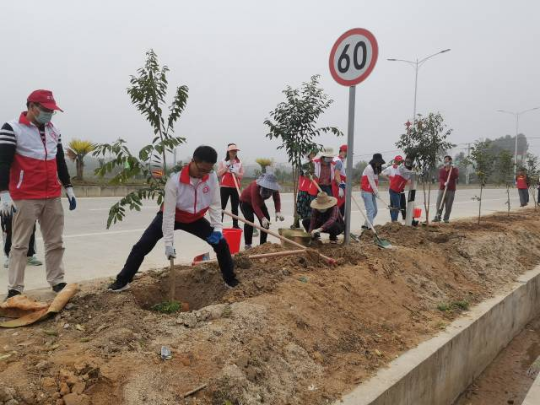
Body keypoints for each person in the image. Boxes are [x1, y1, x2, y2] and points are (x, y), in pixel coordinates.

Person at [108, 146, 239, 291]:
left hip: (195, 219)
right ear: (193, 161)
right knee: (142, 245)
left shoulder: (212, 177)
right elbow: (169, 214)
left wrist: (218, 229)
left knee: (221, 244)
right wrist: (168, 244)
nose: (203, 174)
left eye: (207, 171)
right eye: (201, 170)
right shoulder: (175, 180)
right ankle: (122, 281)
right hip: (174, 215)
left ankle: (230, 280)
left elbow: (215, 205)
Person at [0, 90, 76, 299]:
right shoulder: (12, 128)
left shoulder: (54, 130)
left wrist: (68, 187)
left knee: (55, 241)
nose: (49, 114)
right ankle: (15, 288)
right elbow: (3, 163)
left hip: (51, 194)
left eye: (52, 111)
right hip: (24, 196)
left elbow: (59, 161)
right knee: (20, 244)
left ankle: (57, 281)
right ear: (32, 106)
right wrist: (4, 194)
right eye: (45, 110)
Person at [240, 172, 283, 249]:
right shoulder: (255, 186)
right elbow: (255, 205)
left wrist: (278, 211)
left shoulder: (274, 188)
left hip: (259, 203)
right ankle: (248, 244)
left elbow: (277, 199)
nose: (270, 189)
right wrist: (262, 218)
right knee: (249, 220)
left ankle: (263, 245)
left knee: (267, 220)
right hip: (245, 202)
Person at [217, 143, 244, 229]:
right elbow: (218, 174)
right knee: (222, 206)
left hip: (235, 187)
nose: (234, 153)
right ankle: (219, 224)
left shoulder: (239, 163)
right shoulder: (223, 161)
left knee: (235, 207)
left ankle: (235, 225)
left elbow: (241, 175)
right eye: (232, 151)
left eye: (235, 151)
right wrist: (226, 167)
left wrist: (236, 173)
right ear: (228, 152)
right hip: (225, 187)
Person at [361, 153, 386, 229]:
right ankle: (370, 228)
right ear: (374, 161)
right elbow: (371, 182)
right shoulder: (369, 168)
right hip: (366, 191)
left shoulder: (376, 169)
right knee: (370, 209)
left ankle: (366, 225)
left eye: (380, 162)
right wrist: (377, 192)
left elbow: (375, 182)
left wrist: (375, 192)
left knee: (375, 210)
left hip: (371, 192)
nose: (379, 163)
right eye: (378, 162)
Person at [385, 156, 414, 222]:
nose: (408, 163)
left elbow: (409, 180)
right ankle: (394, 221)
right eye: (407, 162)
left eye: (409, 162)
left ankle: (394, 220)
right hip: (393, 190)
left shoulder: (408, 170)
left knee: (397, 207)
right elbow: (407, 172)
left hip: (399, 190)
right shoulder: (401, 168)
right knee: (397, 207)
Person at [433, 155, 459, 223]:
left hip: (451, 190)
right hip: (442, 189)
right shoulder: (442, 169)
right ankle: (437, 216)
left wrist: (452, 169)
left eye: (447, 160)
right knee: (439, 204)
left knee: (448, 205)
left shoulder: (454, 169)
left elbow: (455, 176)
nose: (445, 161)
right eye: (445, 160)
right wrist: (444, 183)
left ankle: (446, 218)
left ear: (450, 161)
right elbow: (440, 178)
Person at [295, 151, 317, 228]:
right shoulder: (304, 162)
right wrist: (311, 175)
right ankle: (296, 222)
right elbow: (306, 174)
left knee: (309, 207)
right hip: (304, 188)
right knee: (301, 206)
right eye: (312, 153)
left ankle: (308, 225)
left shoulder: (312, 163)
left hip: (310, 187)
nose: (314, 155)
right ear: (308, 154)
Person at [333, 145, 348, 217]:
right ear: (342, 152)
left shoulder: (337, 160)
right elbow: (336, 176)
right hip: (337, 188)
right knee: (339, 209)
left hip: (338, 186)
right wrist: (340, 187)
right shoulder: (338, 161)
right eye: (347, 153)